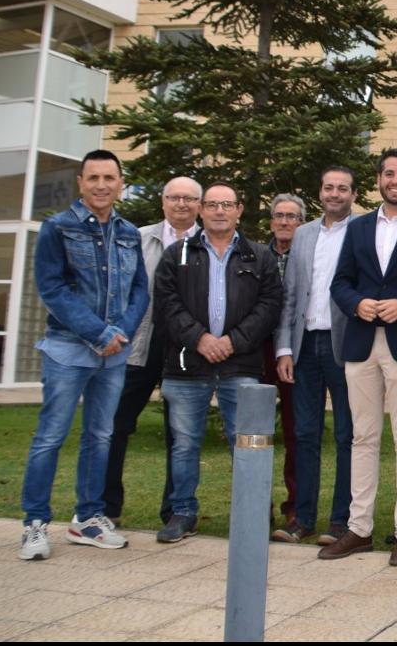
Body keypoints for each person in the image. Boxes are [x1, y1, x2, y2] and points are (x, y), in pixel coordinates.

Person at [19, 150, 149, 560]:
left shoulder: (129, 232)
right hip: (67, 350)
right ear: (80, 181)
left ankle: (88, 519)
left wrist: (121, 333)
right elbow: (52, 289)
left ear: (120, 183)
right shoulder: (57, 228)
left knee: (100, 435)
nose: (101, 185)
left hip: (113, 355)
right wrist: (99, 332)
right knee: (50, 437)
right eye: (93, 177)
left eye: (109, 177)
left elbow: (140, 291)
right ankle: (35, 523)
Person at [322, 148, 397, 566]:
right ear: (378, 179)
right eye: (389, 173)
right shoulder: (359, 228)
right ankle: (359, 528)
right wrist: (358, 304)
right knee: (362, 437)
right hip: (361, 342)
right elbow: (340, 283)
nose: (396, 180)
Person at [154, 182, 283, 543]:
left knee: (247, 442)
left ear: (239, 209)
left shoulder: (260, 256)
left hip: (239, 365)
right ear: (201, 210)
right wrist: (200, 339)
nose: (220, 211)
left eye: (227, 204)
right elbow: (166, 303)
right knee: (183, 444)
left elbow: (270, 305)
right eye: (212, 204)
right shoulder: (176, 254)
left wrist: (232, 342)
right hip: (186, 366)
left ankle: (253, 513)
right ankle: (182, 512)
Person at [103, 176, 201, 527]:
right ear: (163, 202)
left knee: (181, 433)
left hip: (184, 347)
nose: (181, 204)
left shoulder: (207, 244)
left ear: (199, 206)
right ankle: (105, 506)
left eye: (189, 199)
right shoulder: (138, 238)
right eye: (174, 197)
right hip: (138, 344)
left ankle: (175, 510)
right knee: (115, 425)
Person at [273, 168, 357, 544]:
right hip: (305, 345)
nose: (335, 193)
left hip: (345, 346)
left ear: (353, 194)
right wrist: (284, 348)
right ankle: (301, 518)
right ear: (320, 192)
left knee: (346, 434)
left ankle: (341, 520)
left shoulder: (361, 231)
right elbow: (290, 295)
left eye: (342, 188)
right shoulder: (304, 235)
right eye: (329, 187)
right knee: (304, 432)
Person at [265, 193, 304, 525]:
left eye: (292, 216)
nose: (284, 221)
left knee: (296, 431)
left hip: (297, 349)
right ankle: (257, 502)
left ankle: (295, 506)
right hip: (258, 349)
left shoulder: (308, 256)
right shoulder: (255, 255)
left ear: (301, 223)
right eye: (279, 215)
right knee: (256, 432)